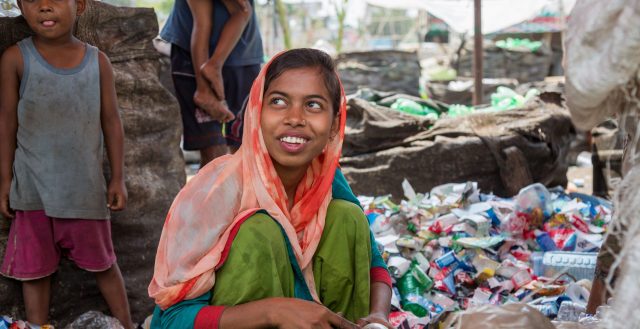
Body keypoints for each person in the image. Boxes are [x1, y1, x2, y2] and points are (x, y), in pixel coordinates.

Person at [149, 48, 393, 329]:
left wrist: (378, 317)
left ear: (335, 124)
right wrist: (272, 312)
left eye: (313, 105)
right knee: (259, 232)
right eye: (278, 101)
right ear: (256, 111)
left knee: (348, 218)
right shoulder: (217, 191)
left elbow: (373, 263)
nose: (295, 118)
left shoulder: (325, 177)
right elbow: (170, 320)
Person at [0, 0, 133, 327]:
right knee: (35, 273)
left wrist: (118, 178)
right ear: (19, 6)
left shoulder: (97, 62)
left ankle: (127, 324)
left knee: (104, 264)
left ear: (81, 5)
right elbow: (6, 123)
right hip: (32, 193)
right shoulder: (16, 59)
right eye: (32, 0)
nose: (45, 7)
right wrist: (4, 180)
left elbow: (112, 122)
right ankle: (37, 325)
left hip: (84, 192)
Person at [160, 0, 263, 167]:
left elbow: (242, 11)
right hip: (192, 55)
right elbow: (202, 23)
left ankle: (211, 69)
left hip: (243, 55)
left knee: (244, 150)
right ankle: (209, 75)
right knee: (214, 155)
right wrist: (203, 87)